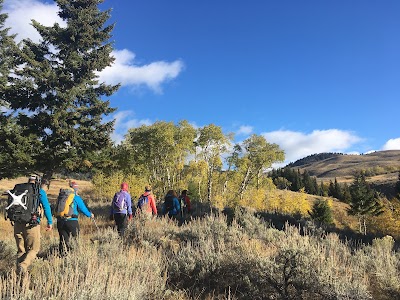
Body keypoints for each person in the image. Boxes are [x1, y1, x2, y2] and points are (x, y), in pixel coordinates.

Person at [12, 175, 53, 275]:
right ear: (37, 182)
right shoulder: (39, 191)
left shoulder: (18, 190)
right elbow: (46, 207)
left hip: (17, 223)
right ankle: (24, 266)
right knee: (34, 249)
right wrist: (50, 222)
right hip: (31, 224)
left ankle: (19, 274)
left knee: (21, 250)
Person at [56, 180, 94, 256]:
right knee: (76, 239)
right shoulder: (76, 197)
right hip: (72, 221)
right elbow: (83, 209)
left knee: (63, 240)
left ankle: (62, 257)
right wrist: (90, 215)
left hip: (60, 221)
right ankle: (76, 256)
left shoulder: (62, 196)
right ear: (75, 189)